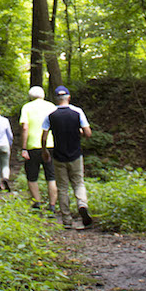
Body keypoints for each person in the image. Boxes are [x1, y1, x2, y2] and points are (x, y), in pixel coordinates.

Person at [41, 85, 93, 229]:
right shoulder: (77, 112)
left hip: (59, 156)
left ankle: (67, 220)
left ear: (56, 99)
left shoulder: (50, 115)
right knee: (78, 183)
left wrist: (44, 151)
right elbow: (88, 133)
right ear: (68, 97)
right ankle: (82, 204)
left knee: (62, 187)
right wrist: (79, 132)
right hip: (75, 154)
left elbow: (44, 137)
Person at [18, 85, 58, 215]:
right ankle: (52, 206)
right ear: (43, 95)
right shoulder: (51, 106)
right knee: (51, 176)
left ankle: (37, 203)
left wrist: (24, 147)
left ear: (30, 96)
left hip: (32, 146)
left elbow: (25, 127)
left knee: (32, 176)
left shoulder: (27, 107)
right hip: (50, 145)